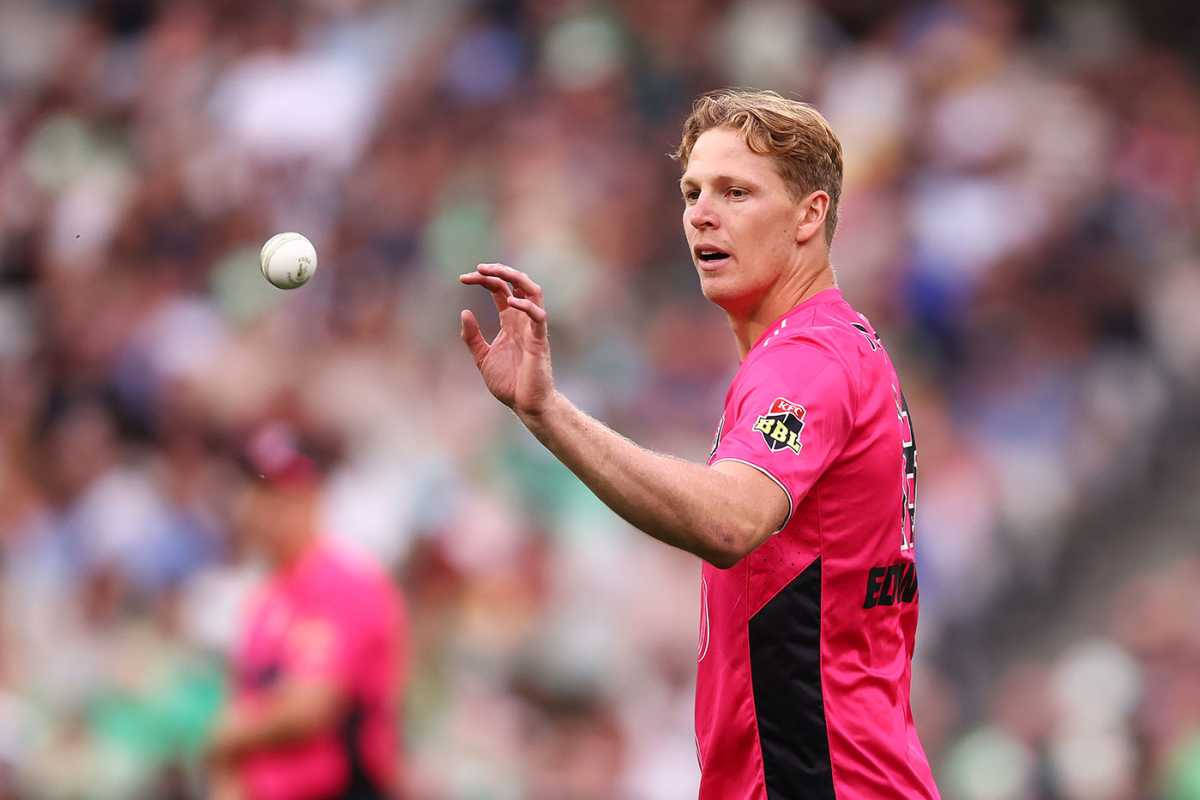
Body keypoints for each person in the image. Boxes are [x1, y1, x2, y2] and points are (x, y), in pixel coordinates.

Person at [459, 89, 940, 799]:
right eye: (693, 192)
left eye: (736, 192)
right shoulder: (827, 348)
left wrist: (549, 414)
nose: (702, 214)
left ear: (811, 214)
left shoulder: (808, 358)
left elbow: (729, 521)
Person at [207, 423, 405, 800]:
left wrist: (229, 736)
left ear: (314, 496)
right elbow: (246, 703)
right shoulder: (265, 598)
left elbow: (310, 707)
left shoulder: (345, 582)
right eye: (259, 490)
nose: (266, 509)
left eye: (282, 493)